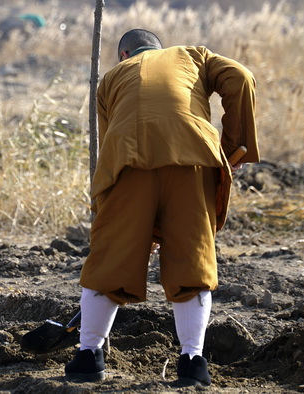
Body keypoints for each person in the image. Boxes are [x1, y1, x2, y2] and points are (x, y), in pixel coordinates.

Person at [64, 29, 259, 387]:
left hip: (129, 161)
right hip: (193, 160)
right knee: (191, 261)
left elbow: (110, 146)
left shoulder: (110, 79)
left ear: (124, 55)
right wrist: (234, 148)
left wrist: (136, 231)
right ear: (160, 48)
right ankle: (193, 362)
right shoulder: (193, 56)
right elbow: (241, 77)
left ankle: (88, 355)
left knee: (111, 260)